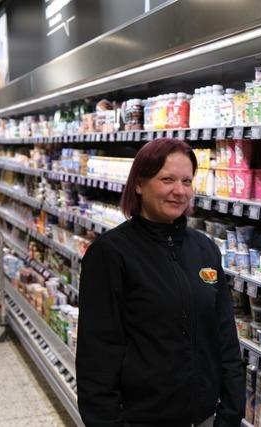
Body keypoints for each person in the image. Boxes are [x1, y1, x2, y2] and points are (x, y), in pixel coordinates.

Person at [76, 138, 245, 427]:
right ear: (139, 184)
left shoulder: (204, 249)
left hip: (205, 418)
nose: (179, 191)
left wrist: (230, 413)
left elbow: (224, 335)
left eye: (187, 181)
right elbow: (97, 356)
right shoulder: (111, 253)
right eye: (167, 179)